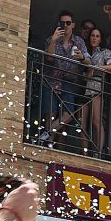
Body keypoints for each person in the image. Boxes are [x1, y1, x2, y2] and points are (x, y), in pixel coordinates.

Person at [38, 11, 87, 143]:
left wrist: (81, 57)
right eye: (62, 22)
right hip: (50, 81)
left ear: (73, 25)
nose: (65, 25)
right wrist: (54, 40)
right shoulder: (51, 39)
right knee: (51, 115)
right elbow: (48, 58)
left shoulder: (79, 41)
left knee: (69, 114)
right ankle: (48, 145)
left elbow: (88, 61)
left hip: (68, 83)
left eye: (68, 23)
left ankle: (44, 136)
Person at [75, 23, 111, 157]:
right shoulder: (85, 52)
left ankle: (99, 152)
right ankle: (85, 152)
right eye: (92, 36)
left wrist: (98, 68)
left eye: (97, 36)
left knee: (96, 120)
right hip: (82, 88)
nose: (94, 38)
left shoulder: (105, 52)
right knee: (81, 122)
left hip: (96, 88)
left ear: (101, 39)